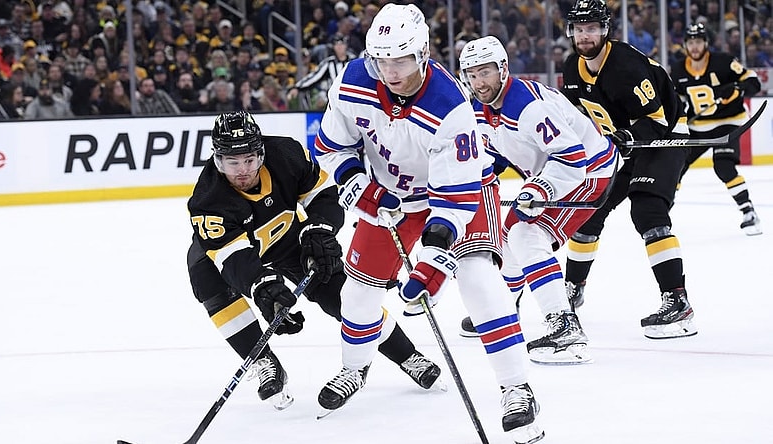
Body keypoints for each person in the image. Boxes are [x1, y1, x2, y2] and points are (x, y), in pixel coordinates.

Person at [313, 4, 543, 441]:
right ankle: (353, 369)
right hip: (389, 197)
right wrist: (358, 183)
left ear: (421, 53)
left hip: (458, 194)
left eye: (400, 59)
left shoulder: (449, 104)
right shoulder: (351, 82)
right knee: (357, 293)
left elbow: (455, 197)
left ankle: (517, 387)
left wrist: (434, 262)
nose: (390, 71)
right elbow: (331, 147)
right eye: (381, 59)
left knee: (478, 278)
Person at [186, 110, 443, 411]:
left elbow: (325, 195)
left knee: (344, 298)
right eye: (232, 162)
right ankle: (263, 360)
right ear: (218, 160)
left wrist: (319, 227)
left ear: (262, 152)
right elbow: (234, 258)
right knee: (207, 282)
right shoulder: (208, 200)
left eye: (250, 159)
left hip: (287, 241)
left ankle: (407, 355)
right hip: (227, 256)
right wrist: (262, 287)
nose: (243, 170)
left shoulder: (285, 154)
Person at [458, 36, 621, 364]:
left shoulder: (529, 106)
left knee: (525, 234)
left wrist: (539, 189)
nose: (479, 82)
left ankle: (565, 327)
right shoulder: (478, 109)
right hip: (554, 170)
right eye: (472, 74)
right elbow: (494, 154)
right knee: (508, 238)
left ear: (503, 69)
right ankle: (505, 309)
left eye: (485, 72)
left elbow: (572, 158)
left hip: (590, 171)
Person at [560, 0, 696, 340]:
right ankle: (572, 290)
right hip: (624, 144)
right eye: (579, 28)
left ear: (605, 29)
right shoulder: (572, 67)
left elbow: (655, 121)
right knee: (588, 211)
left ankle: (678, 302)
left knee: (648, 210)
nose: (585, 35)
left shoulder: (626, 65)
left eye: (592, 27)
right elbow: (576, 119)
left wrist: (624, 137)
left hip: (663, 136)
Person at [669, 22, 762, 236]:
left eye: (698, 42)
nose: (694, 47)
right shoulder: (678, 69)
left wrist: (738, 88)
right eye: (690, 42)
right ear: (685, 44)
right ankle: (662, 210)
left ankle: (748, 211)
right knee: (674, 165)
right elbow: (675, 98)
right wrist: (679, 109)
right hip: (697, 127)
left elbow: (753, 81)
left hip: (728, 123)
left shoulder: (724, 62)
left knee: (723, 166)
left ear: (706, 43)